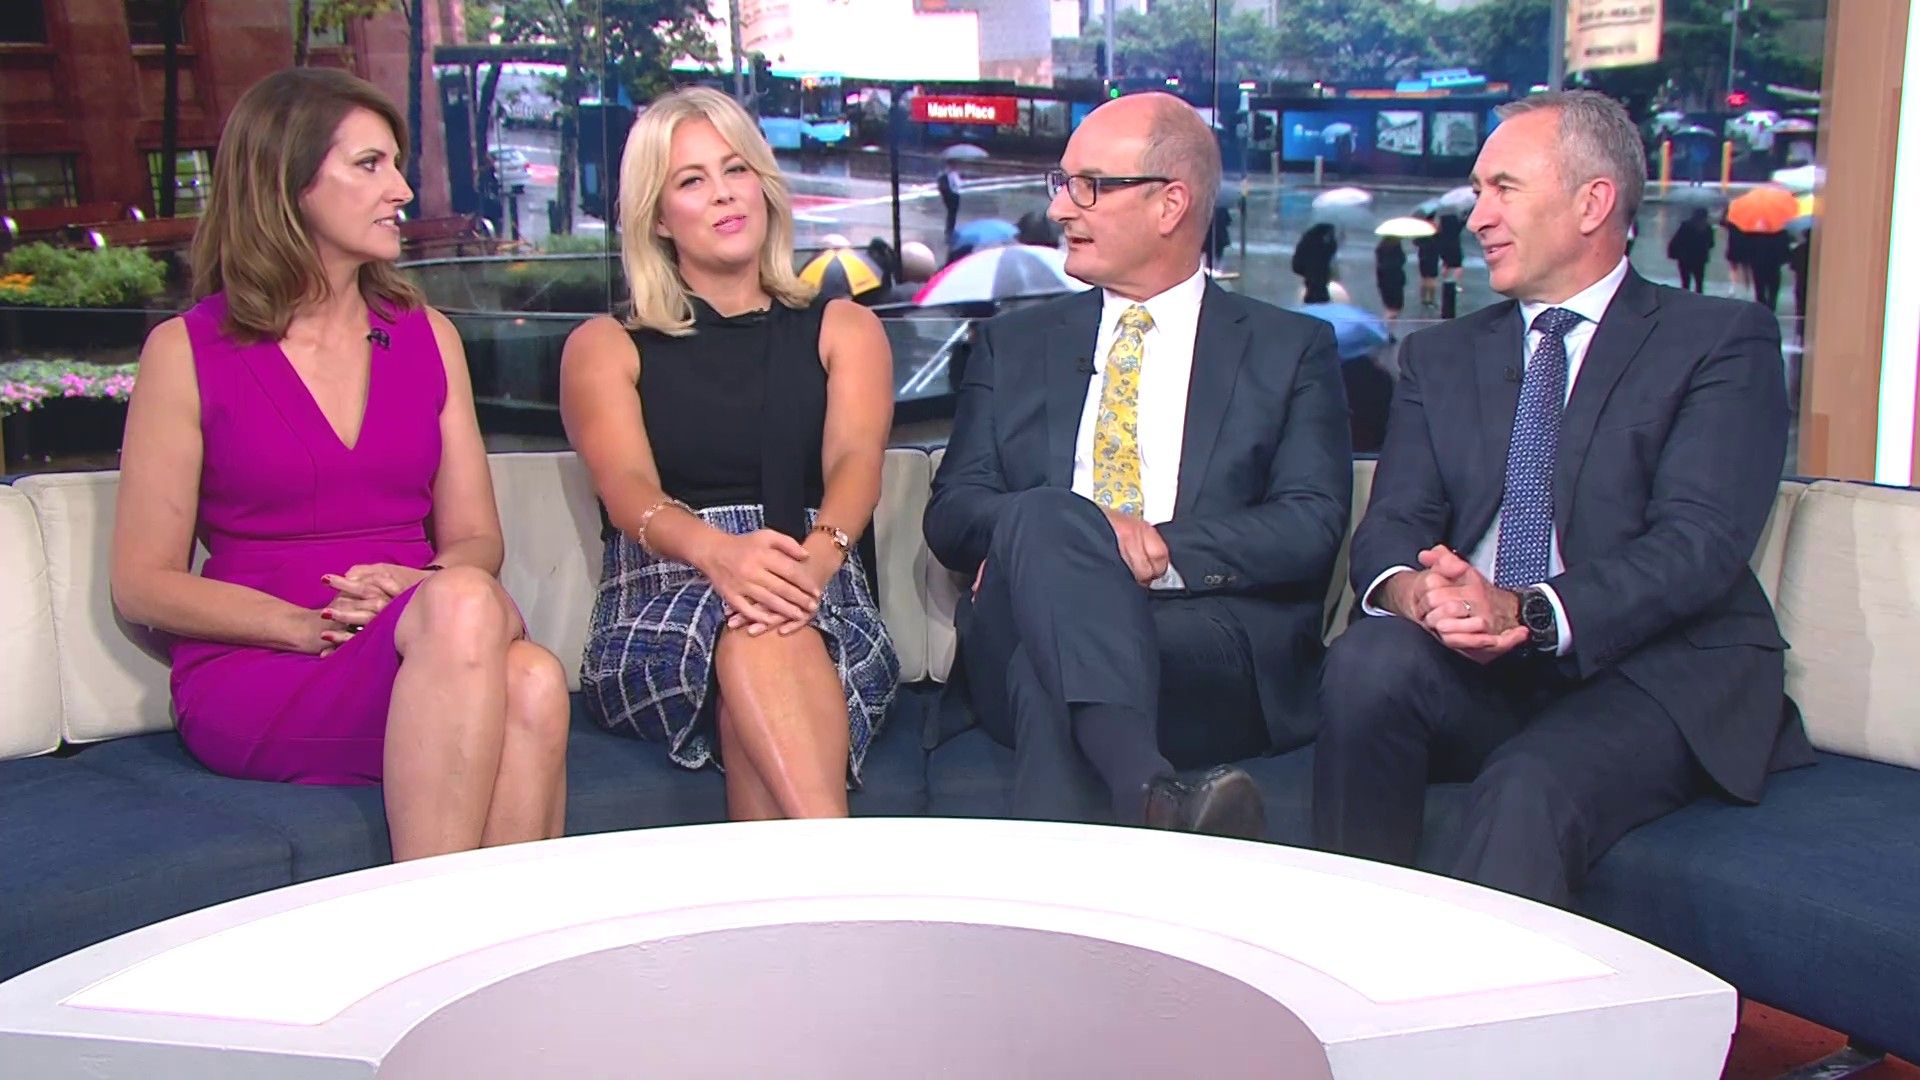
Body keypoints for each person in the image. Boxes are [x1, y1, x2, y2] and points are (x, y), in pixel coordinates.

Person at [1313, 90, 1810, 906]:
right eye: (1479, 191)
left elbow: (1698, 545)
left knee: (1528, 786)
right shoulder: (1442, 356)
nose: (1478, 216)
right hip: (1480, 668)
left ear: (1593, 202)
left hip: (1652, 675)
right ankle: (1350, 947)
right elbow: (1393, 525)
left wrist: (1526, 611)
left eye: (1503, 188)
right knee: (1366, 663)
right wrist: (1420, 595)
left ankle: (1474, 996)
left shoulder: (1720, 341)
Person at [109, 68, 570, 860]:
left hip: (428, 639)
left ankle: (463, 931)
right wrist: (302, 625)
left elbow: (475, 541)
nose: (401, 190)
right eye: (369, 164)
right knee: (487, 631)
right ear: (288, 184)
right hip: (264, 665)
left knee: (529, 676)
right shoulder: (186, 352)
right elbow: (142, 584)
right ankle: (440, 921)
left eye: (397, 163)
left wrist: (419, 587)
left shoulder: (428, 336)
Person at [924, 92, 1352, 835]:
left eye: (1089, 186)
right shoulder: (1012, 346)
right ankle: (1150, 789)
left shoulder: (1291, 350)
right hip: (1020, 621)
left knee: (1047, 672)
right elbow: (954, 510)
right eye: (1063, 184)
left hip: (1203, 643)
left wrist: (1145, 547)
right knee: (1047, 517)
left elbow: (1309, 525)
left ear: (1170, 204)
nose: (1060, 208)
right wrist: (1074, 534)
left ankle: (1128, 810)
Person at [562, 87, 899, 820]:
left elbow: (856, 463)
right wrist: (720, 556)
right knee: (755, 631)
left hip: (816, 579)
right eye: (692, 180)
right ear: (657, 216)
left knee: (762, 631)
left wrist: (812, 563)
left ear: (763, 183)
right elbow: (627, 488)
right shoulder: (606, 346)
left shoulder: (844, 328)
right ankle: (845, 873)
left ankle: (819, 887)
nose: (723, 193)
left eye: (736, 169)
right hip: (664, 593)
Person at [1667, 207, 1714, 293]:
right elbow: (1711, 244)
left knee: (1685, 282)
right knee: (1699, 283)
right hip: (1700, 258)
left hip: (1685, 258)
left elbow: (1677, 241)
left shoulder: (1686, 226)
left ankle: (1685, 298)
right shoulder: (1707, 228)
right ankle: (1698, 299)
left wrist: (1674, 253)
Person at [1292, 223, 1338, 304]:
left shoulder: (1307, 241)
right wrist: (1333, 240)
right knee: (1318, 293)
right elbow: (1328, 253)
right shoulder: (1319, 245)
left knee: (1314, 292)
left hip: (1311, 276)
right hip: (1318, 276)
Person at [1747, 227, 1791, 313]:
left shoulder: (1754, 232)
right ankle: (1771, 307)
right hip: (1774, 263)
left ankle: (1761, 307)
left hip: (1758, 263)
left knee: (1760, 288)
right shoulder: (1780, 231)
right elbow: (1785, 249)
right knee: (1773, 288)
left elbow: (1749, 248)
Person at [1375, 235, 1407, 324]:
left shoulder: (1380, 248)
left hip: (1384, 280)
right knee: (1394, 308)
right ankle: (1387, 326)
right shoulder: (1396, 249)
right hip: (1395, 280)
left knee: (1390, 307)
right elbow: (1401, 261)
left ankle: (1389, 325)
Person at [1414, 213, 1442, 309]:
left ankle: (1423, 299)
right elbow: (1441, 240)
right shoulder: (1436, 228)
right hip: (1433, 255)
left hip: (1422, 255)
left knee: (1424, 278)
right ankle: (1431, 299)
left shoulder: (1421, 228)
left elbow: (1416, 242)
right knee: (1432, 279)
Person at [938, 161, 963, 241]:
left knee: (951, 214)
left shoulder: (944, 174)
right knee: (952, 214)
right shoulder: (953, 174)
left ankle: (949, 230)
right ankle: (950, 231)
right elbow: (958, 184)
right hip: (953, 195)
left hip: (948, 196)